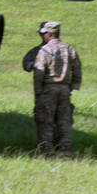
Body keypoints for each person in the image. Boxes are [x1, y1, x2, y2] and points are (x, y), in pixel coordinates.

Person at [32, 20, 81, 158]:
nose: (43, 36)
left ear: (50, 34)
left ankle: (47, 152)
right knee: (64, 121)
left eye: (45, 33)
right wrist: (73, 86)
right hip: (65, 90)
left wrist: (38, 92)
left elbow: (39, 72)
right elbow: (77, 68)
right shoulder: (69, 48)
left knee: (45, 121)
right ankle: (65, 151)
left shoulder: (45, 50)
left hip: (48, 89)